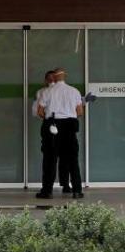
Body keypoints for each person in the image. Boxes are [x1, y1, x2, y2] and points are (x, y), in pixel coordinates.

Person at [37, 68, 85, 199]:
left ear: (54, 77)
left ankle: (47, 191)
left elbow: (40, 112)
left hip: (52, 126)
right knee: (72, 160)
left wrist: (49, 118)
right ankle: (77, 190)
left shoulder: (47, 91)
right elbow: (80, 112)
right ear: (64, 76)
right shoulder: (74, 91)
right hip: (69, 126)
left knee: (49, 160)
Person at [32, 70, 70, 194]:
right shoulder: (42, 92)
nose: (52, 81)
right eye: (49, 79)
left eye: (54, 78)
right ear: (45, 80)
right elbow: (35, 111)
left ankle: (65, 185)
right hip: (53, 124)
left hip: (59, 124)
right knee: (50, 158)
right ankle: (48, 188)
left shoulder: (66, 91)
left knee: (63, 157)